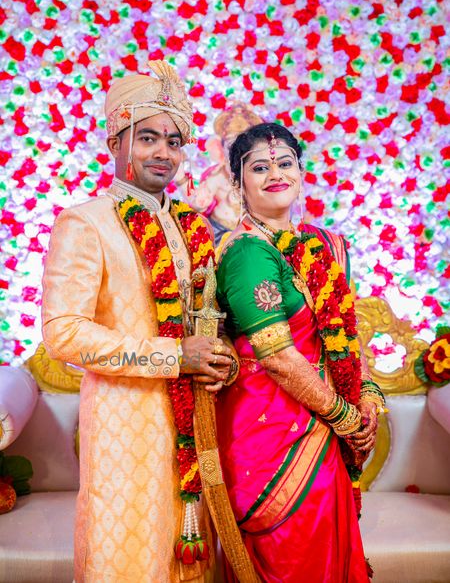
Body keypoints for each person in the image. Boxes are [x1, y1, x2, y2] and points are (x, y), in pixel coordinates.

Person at [41, 60, 232, 583]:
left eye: (174, 141)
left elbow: (210, 323)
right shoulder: (85, 223)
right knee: (128, 558)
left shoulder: (193, 228)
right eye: (148, 138)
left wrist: (221, 359)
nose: (163, 153)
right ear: (115, 143)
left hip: (194, 424)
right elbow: (64, 332)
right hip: (123, 426)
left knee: (188, 558)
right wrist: (173, 355)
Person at [215, 123, 385, 582]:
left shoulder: (325, 245)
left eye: (285, 163)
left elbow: (345, 331)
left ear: (301, 172)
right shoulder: (247, 253)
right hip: (270, 436)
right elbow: (275, 356)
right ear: (238, 183)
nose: (276, 174)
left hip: (322, 422)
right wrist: (345, 416)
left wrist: (368, 395)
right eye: (259, 167)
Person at [174, 102, 262, 245]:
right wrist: (180, 178)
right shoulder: (219, 175)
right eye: (231, 145)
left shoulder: (261, 174)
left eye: (243, 146)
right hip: (219, 232)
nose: (237, 151)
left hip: (253, 234)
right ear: (220, 147)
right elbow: (198, 204)